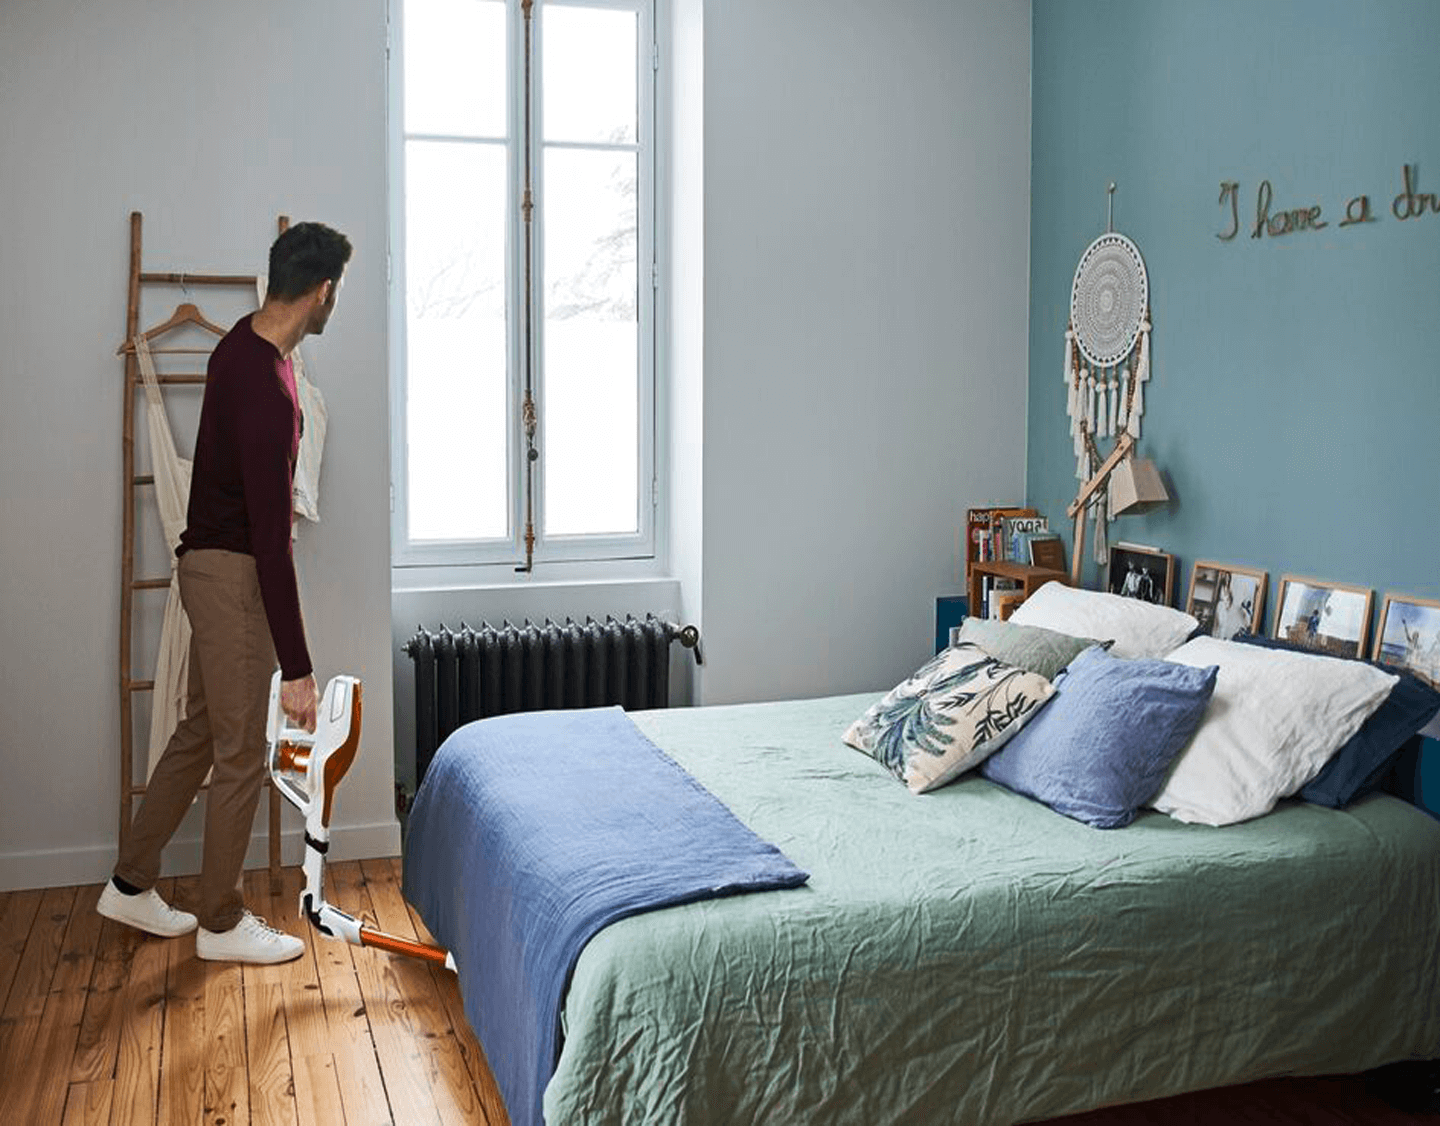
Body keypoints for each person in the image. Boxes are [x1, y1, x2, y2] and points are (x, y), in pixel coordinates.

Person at [98, 222, 352, 964]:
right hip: (235, 574)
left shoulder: (236, 345)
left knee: (204, 731)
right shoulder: (272, 389)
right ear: (322, 292)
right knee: (242, 750)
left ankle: (130, 881)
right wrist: (301, 670)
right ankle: (219, 921)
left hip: (203, 568)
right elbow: (272, 542)